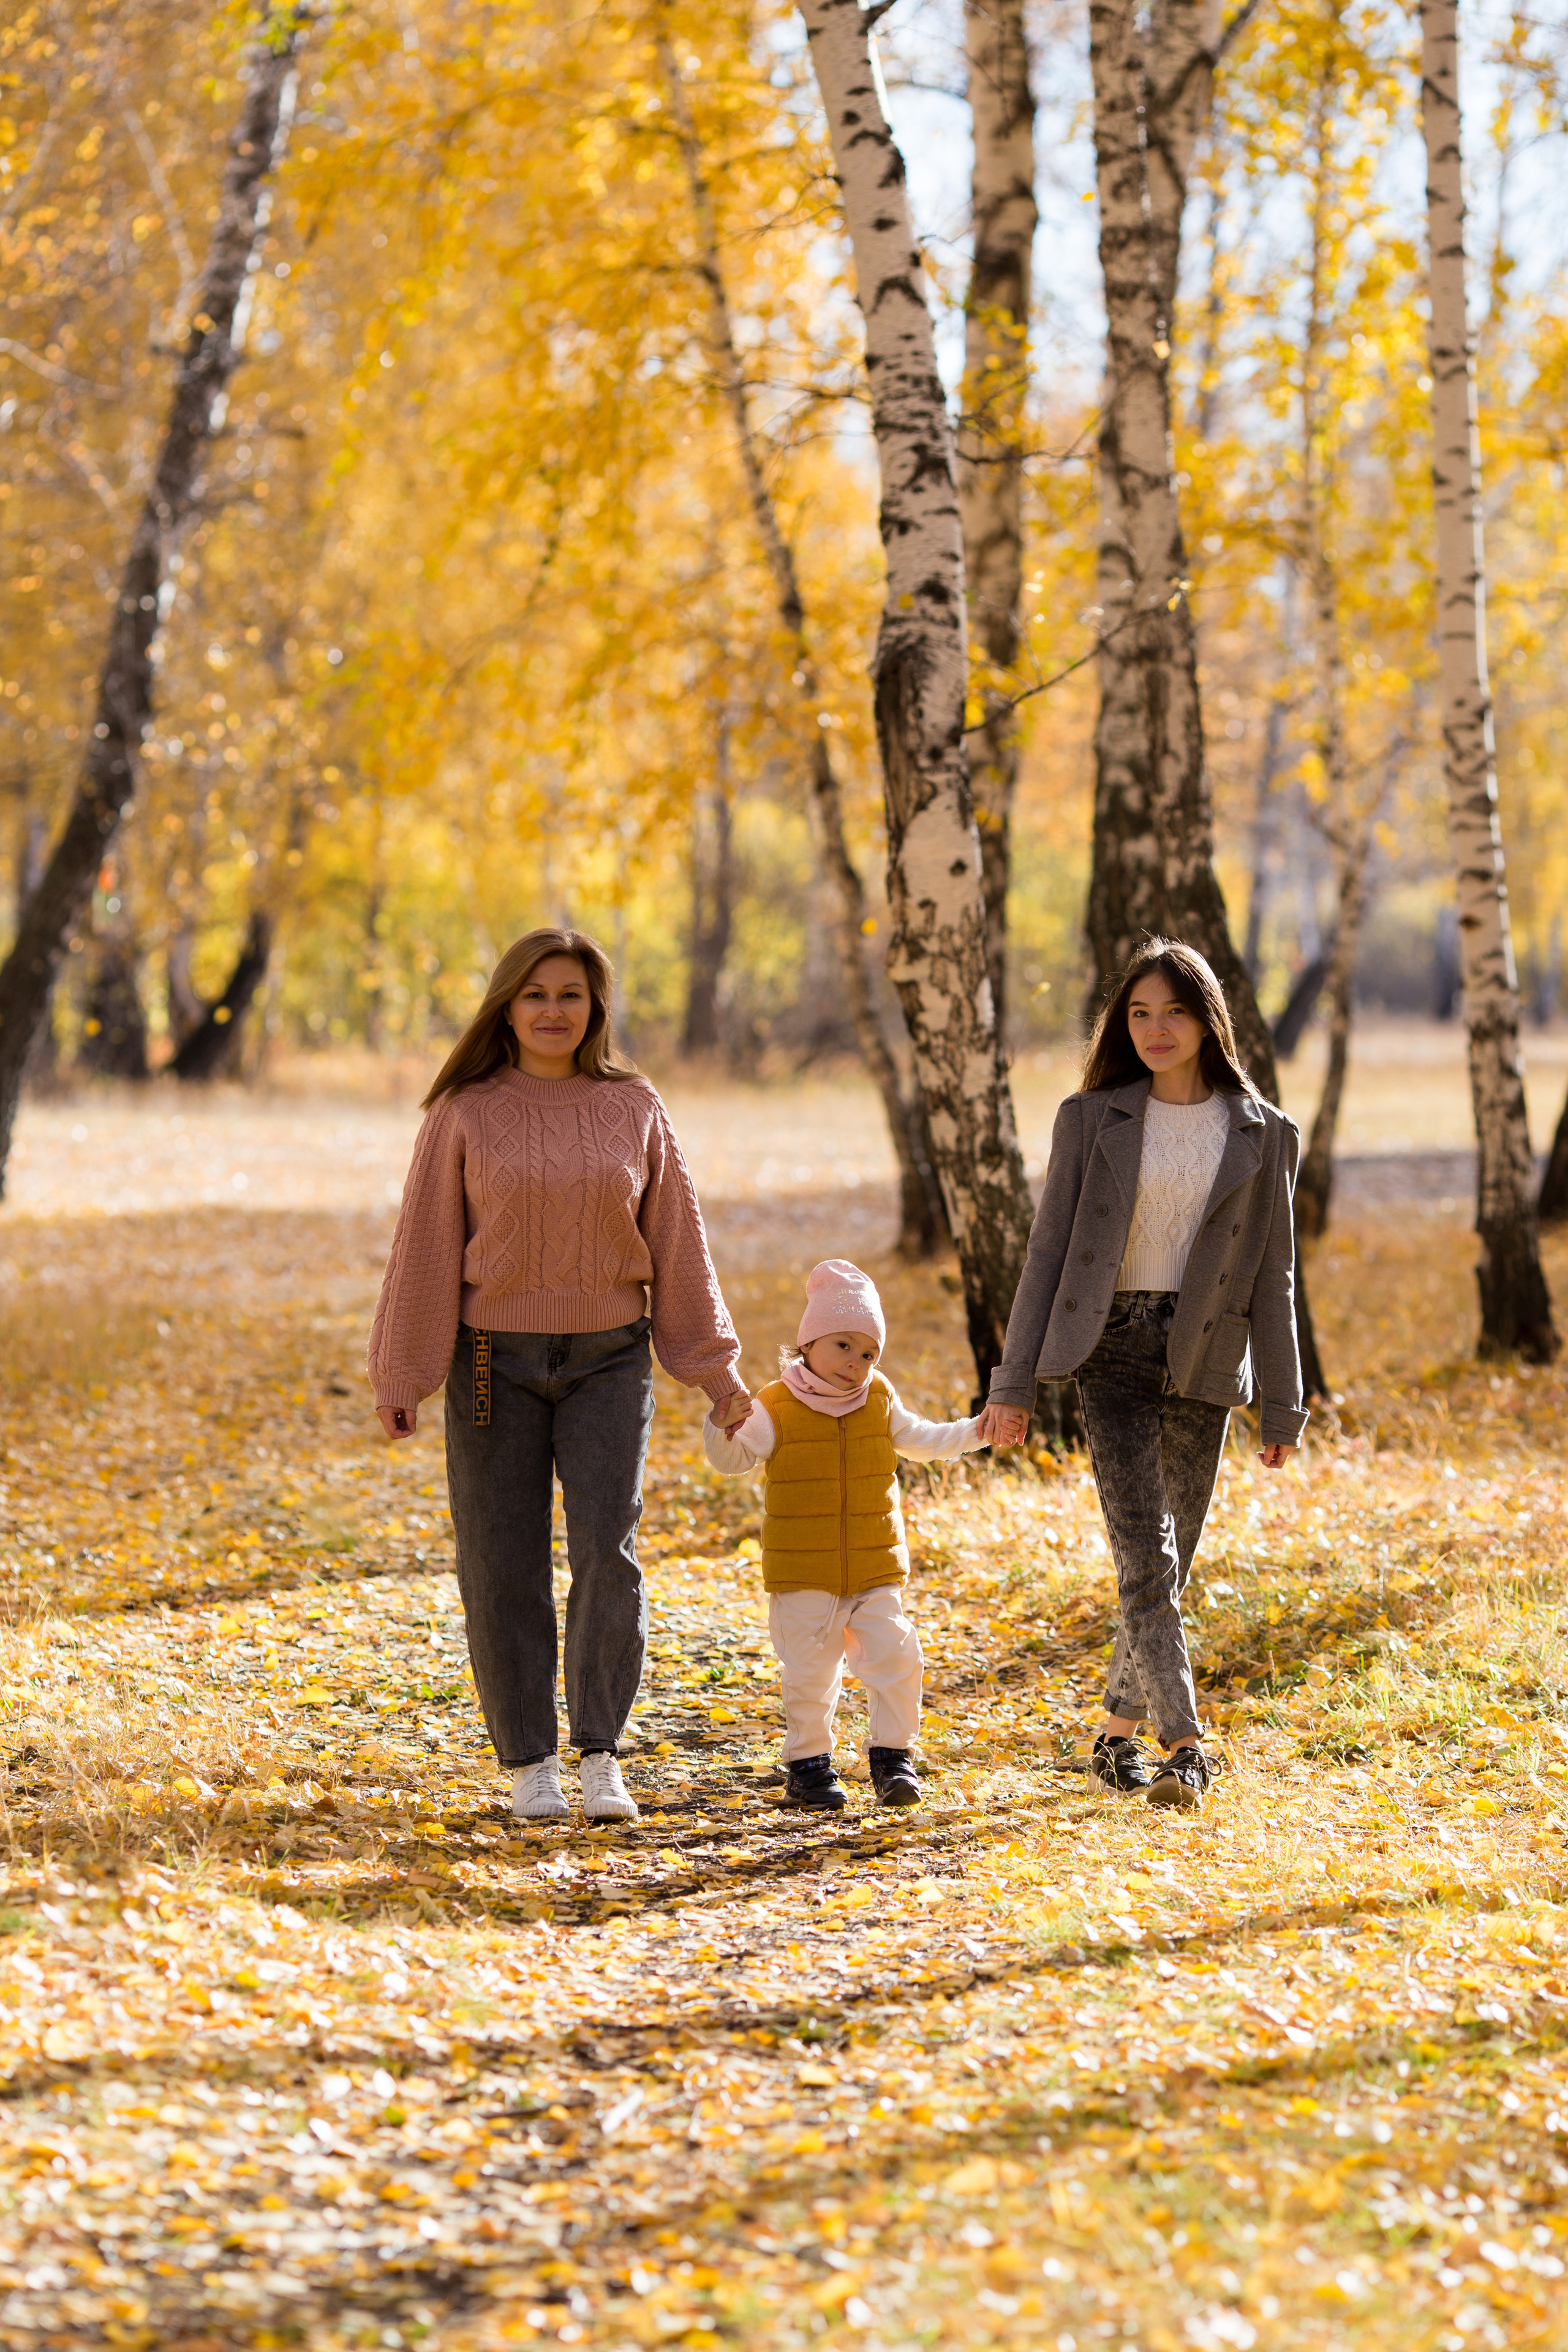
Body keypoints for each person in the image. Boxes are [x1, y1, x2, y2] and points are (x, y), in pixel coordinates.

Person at [368, 928, 751, 1825]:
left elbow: (677, 1245)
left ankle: (600, 1754)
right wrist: (403, 1370)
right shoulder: (464, 1110)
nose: (552, 1011)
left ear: (595, 1008)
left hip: (609, 1359)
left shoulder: (635, 1106)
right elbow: (425, 1245)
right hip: (490, 1361)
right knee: (500, 1560)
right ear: (507, 1006)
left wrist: (718, 1374)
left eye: (570, 994)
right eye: (535, 994)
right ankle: (530, 1761)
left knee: (606, 1553)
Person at [974, 939, 1306, 1814]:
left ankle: (1115, 1735)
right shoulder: (1091, 1119)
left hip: (1207, 1354)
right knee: (1145, 1557)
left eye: (1175, 1012)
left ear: (1208, 1021)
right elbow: (1046, 1254)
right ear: (1122, 1024)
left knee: (1169, 1563)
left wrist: (1284, 1403)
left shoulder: (1265, 1132)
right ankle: (1187, 1748)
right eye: (1139, 1013)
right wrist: (1011, 1384)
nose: (1157, 1029)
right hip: (1110, 1350)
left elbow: (1275, 1276)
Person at [704, 1259, 984, 1811]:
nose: (856, 1363)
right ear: (809, 1343)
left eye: (869, 1354)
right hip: (803, 1571)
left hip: (875, 1567)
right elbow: (732, 1459)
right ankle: (809, 1768)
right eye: (843, 1346)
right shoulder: (774, 1404)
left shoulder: (878, 1398)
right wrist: (721, 1424)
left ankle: (893, 1759)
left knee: (898, 1659)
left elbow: (926, 1439)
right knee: (811, 1675)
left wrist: (980, 1430)